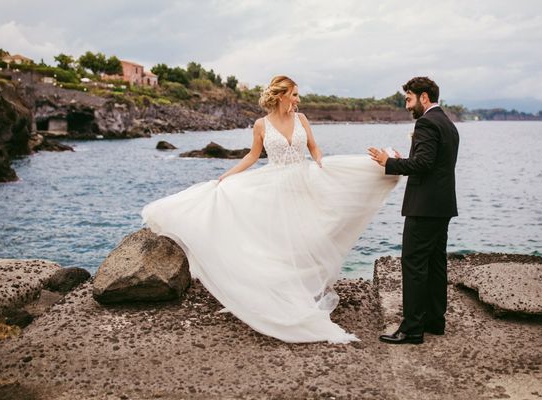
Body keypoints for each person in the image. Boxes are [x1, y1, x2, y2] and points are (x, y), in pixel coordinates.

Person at [142, 75, 399, 343]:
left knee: (306, 239)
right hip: (274, 188)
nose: (299, 99)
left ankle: (303, 291)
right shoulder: (260, 124)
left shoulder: (302, 120)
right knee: (277, 243)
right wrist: (227, 176)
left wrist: (325, 168)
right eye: (295, 94)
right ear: (281, 95)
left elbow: (313, 148)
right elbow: (253, 156)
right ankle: (279, 295)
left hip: (304, 184)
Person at [368, 77, 459, 345]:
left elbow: (423, 163)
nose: (407, 105)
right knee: (435, 263)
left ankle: (412, 329)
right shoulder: (448, 124)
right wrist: (401, 159)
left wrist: (390, 162)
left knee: (414, 264)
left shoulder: (427, 122)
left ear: (424, 97)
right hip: (442, 206)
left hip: (424, 207)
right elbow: (430, 161)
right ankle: (435, 321)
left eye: (409, 99)